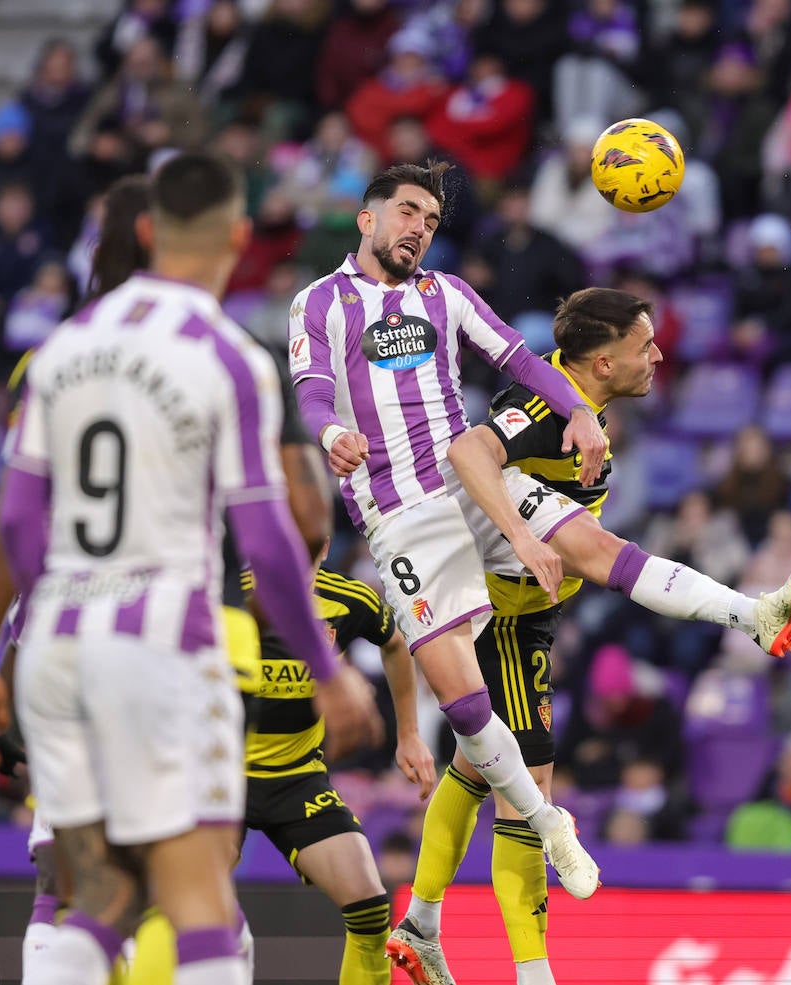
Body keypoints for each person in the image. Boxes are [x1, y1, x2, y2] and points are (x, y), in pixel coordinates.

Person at [0, 152, 379, 985]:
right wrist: (326, 667)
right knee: (200, 899)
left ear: (145, 230)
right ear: (239, 237)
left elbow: (17, 520)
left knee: (89, 893)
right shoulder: (227, 356)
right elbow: (272, 536)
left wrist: (35, 634)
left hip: (58, 646)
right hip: (163, 645)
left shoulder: (63, 349)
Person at [382, 288, 791, 985]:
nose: (659, 354)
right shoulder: (545, 407)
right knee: (532, 782)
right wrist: (521, 533)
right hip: (497, 615)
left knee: (478, 768)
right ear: (605, 361)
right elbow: (469, 448)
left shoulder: (581, 405)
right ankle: (533, 974)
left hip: (526, 610)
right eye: (646, 344)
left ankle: (421, 920)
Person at [289, 162, 609, 915]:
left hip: (471, 486)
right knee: (462, 702)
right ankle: (545, 821)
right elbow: (307, 392)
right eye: (406, 212)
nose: (418, 230)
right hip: (398, 515)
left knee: (598, 549)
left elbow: (521, 359)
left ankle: (747, 611)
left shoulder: (447, 294)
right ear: (366, 219)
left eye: (430, 222)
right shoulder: (322, 302)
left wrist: (580, 409)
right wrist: (331, 428)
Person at [126, 548, 436, 985]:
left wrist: (409, 733)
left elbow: (395, 643)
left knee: (370, 906)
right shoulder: (230, 594)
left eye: (316, 538)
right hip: (221, 776)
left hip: (298, 779)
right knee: (182, 902)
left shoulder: (347, 600)